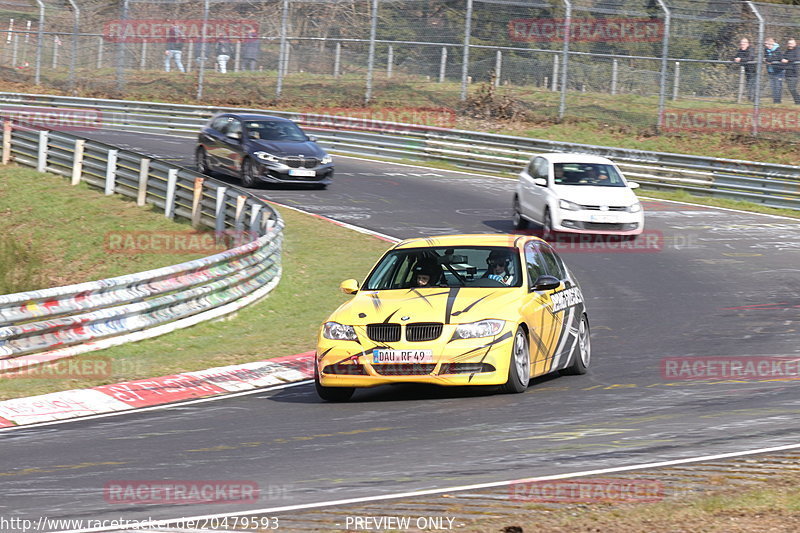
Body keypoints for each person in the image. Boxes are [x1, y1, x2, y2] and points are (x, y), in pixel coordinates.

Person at [733, 37, 756, 101]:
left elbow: (750, 58)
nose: (742, 45)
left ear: (748, 44)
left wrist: (741, 59)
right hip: (745, 70)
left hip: (752, 70)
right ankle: (750, 98)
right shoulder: (740, 50)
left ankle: (753, 99)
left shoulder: (751, 50)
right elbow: (735, 56)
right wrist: (735, 59)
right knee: (748, 84)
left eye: (744, 43)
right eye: (741, 43)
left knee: (752, 84)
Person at [781, 38, 800, 105]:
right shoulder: (787, 51)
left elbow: (797, 58)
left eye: (791, 43)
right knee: (790, 88)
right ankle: (797, 101)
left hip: (794, 72)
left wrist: (788, 60)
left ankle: (798, 101)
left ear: (795, 44)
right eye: (789, 43)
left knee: (792, 88)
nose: (790, 45)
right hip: (787, 71)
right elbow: (783, 57)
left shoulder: (797, 50)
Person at [764, 37, 783, 104]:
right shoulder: (766, 50)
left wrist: (770, 60)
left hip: (778, 71)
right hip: (770, 70)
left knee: (778, 86)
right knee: (773, 86)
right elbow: (766, 58)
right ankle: (775, 100)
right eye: (765, 44)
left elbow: (779, 57)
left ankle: (778, 101)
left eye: (768, 44)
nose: (767, 46)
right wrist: (768, 60)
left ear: (772, 43)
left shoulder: (778, 49)